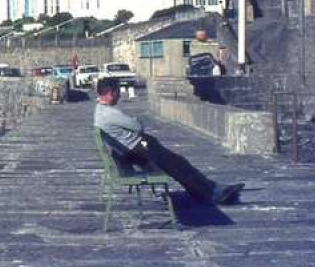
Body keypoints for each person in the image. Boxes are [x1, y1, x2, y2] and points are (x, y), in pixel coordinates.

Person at [94, 78, 244, 205]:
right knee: (178, 165)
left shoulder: (100, 111)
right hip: (141, 150)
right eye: (118, 92)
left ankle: (208, 190)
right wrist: (135, 122)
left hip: (138, 148)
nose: (120, 95)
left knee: (178, 162)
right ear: (111, 93)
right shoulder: (110, 114)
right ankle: (211, 193)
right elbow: (138, 126)